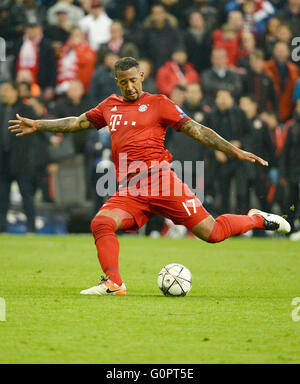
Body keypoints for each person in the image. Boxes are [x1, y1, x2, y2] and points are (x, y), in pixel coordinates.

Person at [8, 57, 291, 295]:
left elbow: (197, 129)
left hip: (163, 182)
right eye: (124, 82)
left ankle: (256, 218)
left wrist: (234, 151)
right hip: (130, 189)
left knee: (213, 233)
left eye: (134, 80)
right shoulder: (109, 106)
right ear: (117, 81)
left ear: (141, 76)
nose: (130, 86)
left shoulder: (159, 103)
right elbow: (75, 122)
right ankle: (114, 282)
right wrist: (39, 124)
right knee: (101, 222)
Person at [1, 82, 37, 233]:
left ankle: (31, 229)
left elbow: (36, 136)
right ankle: (2, 229)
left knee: (27, 196)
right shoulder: (1, 110)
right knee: (2, 198)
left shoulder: (26, 110)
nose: (3, 93)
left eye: (6, 90)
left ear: (16, 92)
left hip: (22, 162)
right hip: (3, 161)